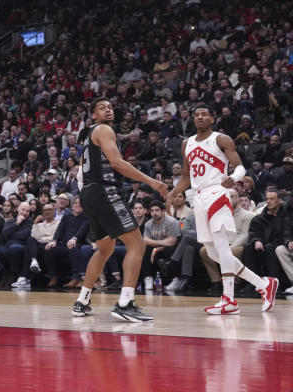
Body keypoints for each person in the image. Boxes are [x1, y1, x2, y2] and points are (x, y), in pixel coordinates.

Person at [167, 105, 278, 314]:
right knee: (211, 252)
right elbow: (186, 176)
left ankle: (229, 299)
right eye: (196, 114)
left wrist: (233, 178)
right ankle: (263, 284)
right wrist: (172, 193)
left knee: (222, 248)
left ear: (212, 118)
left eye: (204, 114)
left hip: (217, 193)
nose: (199, 117)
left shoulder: (221, 139)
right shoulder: (186, 144)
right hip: (198, 198)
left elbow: (240, 167)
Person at [71, 99, 169, 322]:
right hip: (103, 191)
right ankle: (126, 303)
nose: (108, 109)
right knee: (137, 243)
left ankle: (82, 300)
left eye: (109, 107)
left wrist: (88, 196)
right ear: (93, 116)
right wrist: (152, 182)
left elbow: (79, 172)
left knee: (105, 250)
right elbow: (117, 162)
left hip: (87, 194)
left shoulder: (87, 137)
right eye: (102, 108)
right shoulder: (104, 129)